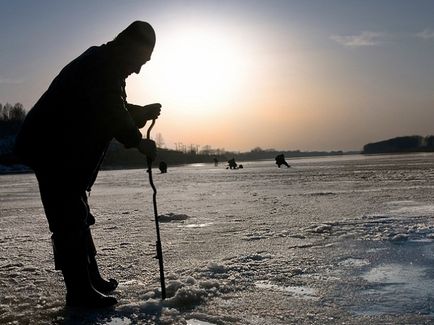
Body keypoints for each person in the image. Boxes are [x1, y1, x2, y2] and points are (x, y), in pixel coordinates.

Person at [14, 21, 160, 308]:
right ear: (129, 46)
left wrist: (138, 112)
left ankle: (89, 278)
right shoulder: (102, 64)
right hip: (51, 149)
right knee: (68, 219)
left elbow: (113, 105)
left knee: (78, 213)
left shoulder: (109, 66)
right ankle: (79, 291)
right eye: (141, 60)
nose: (140, 69)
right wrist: (137, 140)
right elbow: (110, 110)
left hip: (62, 151)